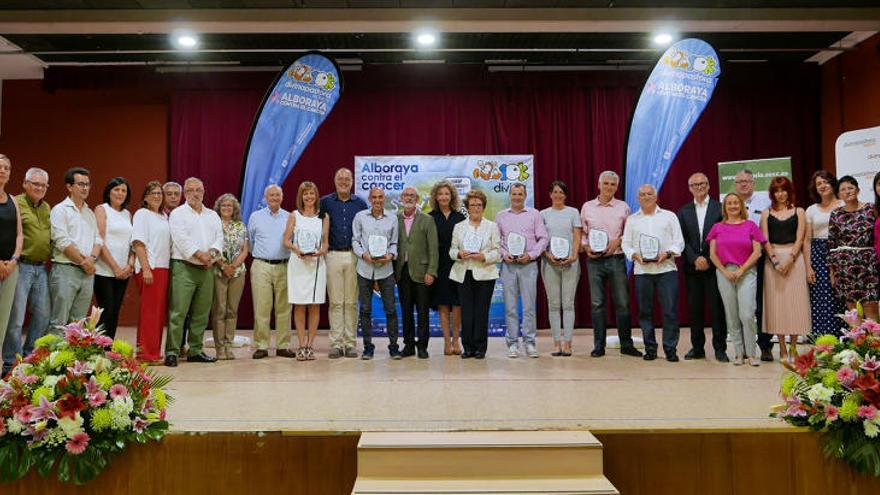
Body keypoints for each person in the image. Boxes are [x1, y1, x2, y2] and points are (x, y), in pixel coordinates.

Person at [580, 171, 641, 358]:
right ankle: (599, 345)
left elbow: (629, 233)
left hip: (616, 259)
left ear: (616, 187)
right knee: (597, 304)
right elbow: (582, 233)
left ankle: (626, 344)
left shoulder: (623, 207)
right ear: (599, 185)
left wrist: (619, 241)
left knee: (622, 303)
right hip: (594, 261)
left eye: (612, 185)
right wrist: (586, 246)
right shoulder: (587, 207)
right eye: (605, 183)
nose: (609, 187)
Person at [622, 184, 684, 362]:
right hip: (642, 271)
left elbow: (678, 241)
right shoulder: (632, 220)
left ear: (656, 197)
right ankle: (650, 348)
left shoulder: (669, 216)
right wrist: (633, 255)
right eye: (642, 194)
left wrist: (668, 253)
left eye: (650, 194)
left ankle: (670, 348)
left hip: (666, 270)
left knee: (670, 311)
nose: (646, 197)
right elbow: (626, 243)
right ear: (638, 198)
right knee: (644, 312)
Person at [165, 177, 223, 366]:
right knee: (178, 312)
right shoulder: (178, 214)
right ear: (185, 193)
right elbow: (181, 239)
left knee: (201, 313)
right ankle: (172, 351)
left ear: (204, 192)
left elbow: (219, 238)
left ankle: (196, 350)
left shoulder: (212, 215)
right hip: (184, 268)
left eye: (198, 190)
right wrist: (200, 255)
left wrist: (211, 256)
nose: (194, 194)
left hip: (207, 269)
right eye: (190, 191)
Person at [707, 193, 766, 366]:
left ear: (741, 206)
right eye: (729, 203)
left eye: (736, 203)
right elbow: (712, 254)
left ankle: (751, 353)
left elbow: (757, 252)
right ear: (724, 207)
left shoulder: (751, 225)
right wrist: (724, 271)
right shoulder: (717, 227)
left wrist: (741, 270)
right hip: (724, 272)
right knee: (731, 315)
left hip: (746, 272)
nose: (733, 206)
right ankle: (739, 353)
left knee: (747, 314)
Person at [3, 166, 49, 375]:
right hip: (21, 265)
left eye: (43, 185)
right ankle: (11, 362)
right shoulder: (16, 203)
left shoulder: (46, 207)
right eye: (35, 184)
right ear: (25, 184)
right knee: (16, 319)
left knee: (42, 315)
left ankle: (30, 358)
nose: (40, 188)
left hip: (41, 268)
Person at [677, 172, 728, 362]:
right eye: (695, 185)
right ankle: (697, 347)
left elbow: (722, 238)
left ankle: (720, 349)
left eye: (702, 184)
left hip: (714, 266)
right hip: (692, 268)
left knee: (717, 309)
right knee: (695, 309)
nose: (699, 187)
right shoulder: (683, 211)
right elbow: (682, 239)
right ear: (690, 188)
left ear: (708, 186)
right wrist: (695, 259)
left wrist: (707, 258)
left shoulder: (720, 208)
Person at [760, 176, 810, 362]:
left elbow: (800, 238)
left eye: (784, 190)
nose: (781, 194)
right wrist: (775, 260)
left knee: (796, 303)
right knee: (777, 305)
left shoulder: (799, 211)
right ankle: (781, 348)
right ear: (772, 194)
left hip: (795, 260)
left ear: (789, 191)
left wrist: (790, 259)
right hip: (773, 262)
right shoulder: (766, 213)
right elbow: (764, 240)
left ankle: (794, 347)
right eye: (777, 191)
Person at [321, 168, 368, 359]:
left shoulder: (360, 203)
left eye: (347, 179)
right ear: (334, 180)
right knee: (336, 302)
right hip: (332, 256)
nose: (343, 181)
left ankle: (350, 344)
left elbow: (366, 229)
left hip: (354, 256)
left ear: (352, 181)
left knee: (351, 302)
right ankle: (335, 344)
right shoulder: (325, 202)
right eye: (340, 178)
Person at [496, 183, 548, 358]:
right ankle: (512, 343)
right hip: (509, 266)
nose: (517, 197)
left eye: (520, 194)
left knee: (528, 307)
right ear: (509, 196)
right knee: (510, 307)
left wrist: (532, 255)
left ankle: (530, 342)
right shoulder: (501, 216)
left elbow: (543, 238)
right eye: (514, 194)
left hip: (528, 265)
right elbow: (497, 241)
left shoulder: (534, 214)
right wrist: (504, 254)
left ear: (525, 196)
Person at [49, 167, 102, 331]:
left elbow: (98, 239)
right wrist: (83, 262)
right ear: (69, 187)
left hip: (87, 273)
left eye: (87, 184)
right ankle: (54, 357)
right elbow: (62, 241)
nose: (85, 188)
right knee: (59, 320)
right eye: (80, 184)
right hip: (66, 270)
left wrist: (91, 260)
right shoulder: (60, 210)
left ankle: (72, 357)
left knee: (78, 322)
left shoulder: (89, 213)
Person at [449, 189, 500, 360]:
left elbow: (498, 252)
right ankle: (468, 347)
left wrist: (484, 256)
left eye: (479, 205)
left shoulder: (492, 226)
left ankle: (480, 348)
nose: (476, 208)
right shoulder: (459, 227)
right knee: (467, 312)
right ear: (467, 208)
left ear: (483, 207)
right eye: (472, 205)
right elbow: (452, 250)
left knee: (481, 311)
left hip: (485, 274)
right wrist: (459, 254)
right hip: (463, 273)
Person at [352, 187, 399, 360]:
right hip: (364, 269)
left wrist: (391, 255)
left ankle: (394, 347)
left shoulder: (392, 219)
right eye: (374, 197)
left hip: (386, 270)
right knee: (365, 310)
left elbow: (394, 243)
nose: (378, 200)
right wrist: (364, 254)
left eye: (380, 197)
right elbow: (355, 241)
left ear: (384, 199)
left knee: (391, 310)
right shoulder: (360, 217)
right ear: (370, 199)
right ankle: (367, 347)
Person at [283, 181, 329, 361]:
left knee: (314, 304)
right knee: (299, 305)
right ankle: (301, 345)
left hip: (317, 264)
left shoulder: (323, 217)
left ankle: (310, 346)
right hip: (298, 263)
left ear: (316, 195)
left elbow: (325, 243)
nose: (309, 197)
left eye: (312, 194)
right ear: (300, 197)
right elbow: (286, 240)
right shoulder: (294, 215)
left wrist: (321, 251)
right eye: (305, 194)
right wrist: (297, 250)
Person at [248, 184, 293, 360]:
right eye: (271, 195)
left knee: (284, 308)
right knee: (261, 307)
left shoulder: (290, 217)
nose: (274, 198)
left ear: (282, 197)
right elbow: (251, 241)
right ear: (265, 197)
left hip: (284, 264)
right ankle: (261, 345)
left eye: (277, 195)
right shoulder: (255, 217)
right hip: (261, 265)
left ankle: (283, 345)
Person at [733, 169, 774, 361]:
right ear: (735, 185)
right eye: (740, 181)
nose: (743, 184)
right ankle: (741, 348)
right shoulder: (730, 204)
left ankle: (765, 345)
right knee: (740, 306)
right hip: (737, 261)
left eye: (747, 181)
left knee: (761, 304)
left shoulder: (765, 202)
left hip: (762, 258)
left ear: (753, 183)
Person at [394, 186, 438, 359]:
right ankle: (409, 345)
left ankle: (422, 346)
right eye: (406, 195)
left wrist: (432, 271)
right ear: (401, 198)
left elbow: (433, 249)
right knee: (405, 311)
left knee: (422, 311)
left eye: (412, 195)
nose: (409, 198)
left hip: (422, 272)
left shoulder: (427, 220)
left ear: (418, 199)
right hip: (402, 272)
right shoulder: (394, 219)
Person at [828, 176, 879, 321]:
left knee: (871, 314)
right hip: (844, 267)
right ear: (838, 194)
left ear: (858, 190)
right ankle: (857, 344)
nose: (847, 192)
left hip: (869, 265)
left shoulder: (871, 209)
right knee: (853, 316)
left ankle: (874, 344)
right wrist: (832, 272)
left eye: (850, 188)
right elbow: (832, 244)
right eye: (843, 189)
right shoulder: (836, 214)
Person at [540, 181, 581, 357]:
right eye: (555, 192)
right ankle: (556, 343)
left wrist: (574, 255)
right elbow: (540, 238)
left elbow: (577, 235)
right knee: (554, 304)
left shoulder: (573, 212)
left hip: (571, 262)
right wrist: (548, 256)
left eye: (561, 192)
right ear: (550, 194)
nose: (558, 195)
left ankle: (568, 344)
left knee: (568, 303)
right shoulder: (543, 214)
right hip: (550, 263)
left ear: (565, 195)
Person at [131, 181, 170, 364]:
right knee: (150, 312)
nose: (157, 196)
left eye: (159, 193)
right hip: (150, 268)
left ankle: (154, 351)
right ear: (145, 197)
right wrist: (146, 267)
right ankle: (145, 354)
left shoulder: (164, 216)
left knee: (158, 313)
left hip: (164, 267)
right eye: (152, 193)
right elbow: (138, 242)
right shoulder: (142, 214)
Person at [804, 170, 844, 336]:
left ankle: (846, 343)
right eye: (819, 184)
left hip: (841, 255)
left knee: (841, 298)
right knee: (822, 299)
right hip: (818, 257)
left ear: (832, 183)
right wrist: (808, 267)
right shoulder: (811, 210)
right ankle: (824, 343)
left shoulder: (844, 204)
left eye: (825, 182)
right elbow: (807, 240)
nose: (822, 186)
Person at [93, 177, 134, 339]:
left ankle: (108, 349)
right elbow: (100, 240)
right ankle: (97, 350)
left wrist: (129, 265)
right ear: (109, 192)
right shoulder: (101, 209)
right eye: (116, 189)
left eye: (124, 190)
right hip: (104, 270)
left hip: (123, 272)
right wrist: (115, 267)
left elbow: (132, 243)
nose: (120, 193)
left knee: (115, 310)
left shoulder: (127, 214)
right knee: (106, 310)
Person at [428, 181, 465, 356]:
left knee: (457, 303)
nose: (443, 197)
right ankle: (446, 342)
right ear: (435, 197)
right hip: (438, 265)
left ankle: (456, 340)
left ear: (452, 197)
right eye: (440, 194)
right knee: (443, 303)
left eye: (447, 194)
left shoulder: (460, 217)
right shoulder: (430, 217)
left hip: (458, 264)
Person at [212, 193, 248, 361]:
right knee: (219, 309)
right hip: (218, 271)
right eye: (224, 205)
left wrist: (233, 266)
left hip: (237, 272)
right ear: (219, 208)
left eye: (230, 206)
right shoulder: (213, 224)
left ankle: (228, 345)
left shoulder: (241, 226)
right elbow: (210, 247)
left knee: (232, 310)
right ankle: (219, 348)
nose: (226, 208)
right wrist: (223, 266)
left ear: (234, 209)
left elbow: (245, 250)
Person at [0, 155, 22, 372]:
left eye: (7, 167)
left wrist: (14, 259)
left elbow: (19, 234)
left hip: (10, 268)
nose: (3, 171)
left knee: (3, 321)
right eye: (0, 167)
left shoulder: (13, 200)